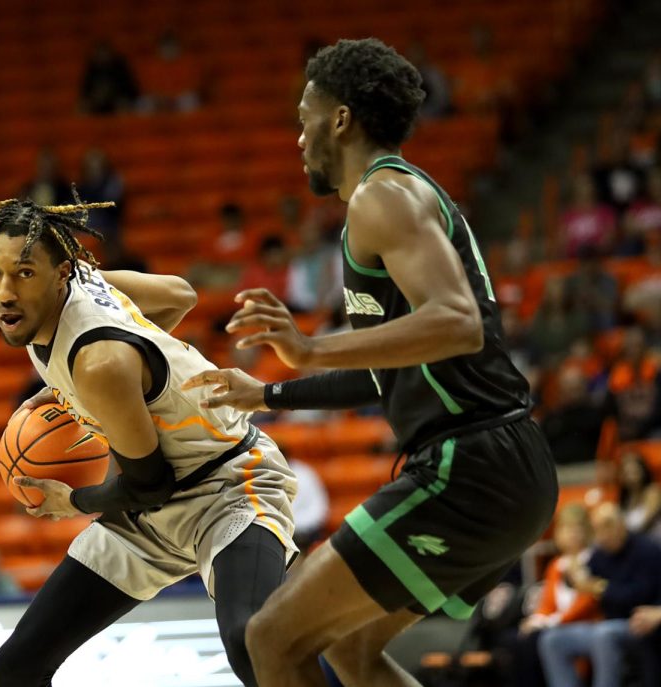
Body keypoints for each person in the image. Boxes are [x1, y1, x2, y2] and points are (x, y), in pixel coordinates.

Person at [182, 38, 558, 687]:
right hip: (502, 462)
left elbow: (458, 324)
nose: (298, 137)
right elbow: (392, 368)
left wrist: (308, 346)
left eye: (304, 117)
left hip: (468, 465)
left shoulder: (381, 197)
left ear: (340, 119)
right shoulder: (401, 198)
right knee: (353, 650)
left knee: (272, 637)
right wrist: (268, 393)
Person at [0, 195, 297, 687]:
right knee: (18, 664)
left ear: (61, 272)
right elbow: (179, 295)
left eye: (24, 273)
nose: (5, 292)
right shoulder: (66, 297)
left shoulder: (100, 362)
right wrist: (112, 385)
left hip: (227, 486)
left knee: (252, 643)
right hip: (152, 509)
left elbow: (150, 484)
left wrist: (71, 499)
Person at [538, 503, 661, 687]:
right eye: (597, 528)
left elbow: (640, 595)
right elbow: (580, 585)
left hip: (635, 622)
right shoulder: (599, 554)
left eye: (608, 525)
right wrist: (575, 575)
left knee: (603, 634)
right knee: (552, 640)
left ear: (621, 524)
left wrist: (600, 588)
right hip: (606, 622)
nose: (603, 534)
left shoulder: (646, 550)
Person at [515, 504, 599, 687]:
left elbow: (588, 603)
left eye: (577, 528)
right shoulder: (556, 565)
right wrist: (536, 619)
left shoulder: (595, 560)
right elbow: (547, 603)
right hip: (558, 624)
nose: (572, 534)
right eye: (567, 528)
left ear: (587, 531)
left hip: (586, 624)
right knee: (521, 637)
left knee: (541, 640)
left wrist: (551, 622)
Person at [78, 41, 140, 115]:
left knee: (123, 106)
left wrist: (118, 96)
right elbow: (85, 92)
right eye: (99, 54)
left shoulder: (120, 67)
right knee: (82, 108)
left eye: (104, 53)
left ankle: (124, 125)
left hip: (117, 100)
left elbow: (131, 89)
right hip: (97, 102)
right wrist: (94, 97)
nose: (102, 56)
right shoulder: (91, 69)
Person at [616, 451, 661, 543]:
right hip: (636, 545)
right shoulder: (625, 500)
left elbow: (646, 523)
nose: (631, 477)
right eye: (627, 473)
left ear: (643, 471)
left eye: (635, 472)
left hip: (657, 543)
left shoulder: (653, 492)